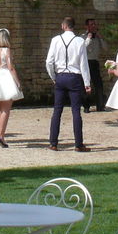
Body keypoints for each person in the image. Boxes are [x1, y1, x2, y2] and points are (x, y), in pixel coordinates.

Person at [45, 17, 92, 152]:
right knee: (76, 111)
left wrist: (53, 76)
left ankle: (53, 143)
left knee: (57, 110)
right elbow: (84, 63)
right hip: (75, 77)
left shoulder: (55, 40)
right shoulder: (79, 41)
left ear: (63, 26)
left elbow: (49, 61)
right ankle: (78, 144)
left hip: (60, 76)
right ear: (73, 26)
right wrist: (87, 82)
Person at [83, 18, 106, 112]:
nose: (94, 26)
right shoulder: (82, 37)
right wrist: (88, 38)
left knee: (99, 84)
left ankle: (100, 106)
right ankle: (86, 107)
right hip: (86, 62)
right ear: (87, 26)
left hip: (95, 62)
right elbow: (82, 48)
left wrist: (100, 38)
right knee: (86, 84)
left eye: (94, 24)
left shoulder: (98, 37)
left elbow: (105, 48)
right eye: (91, 24)